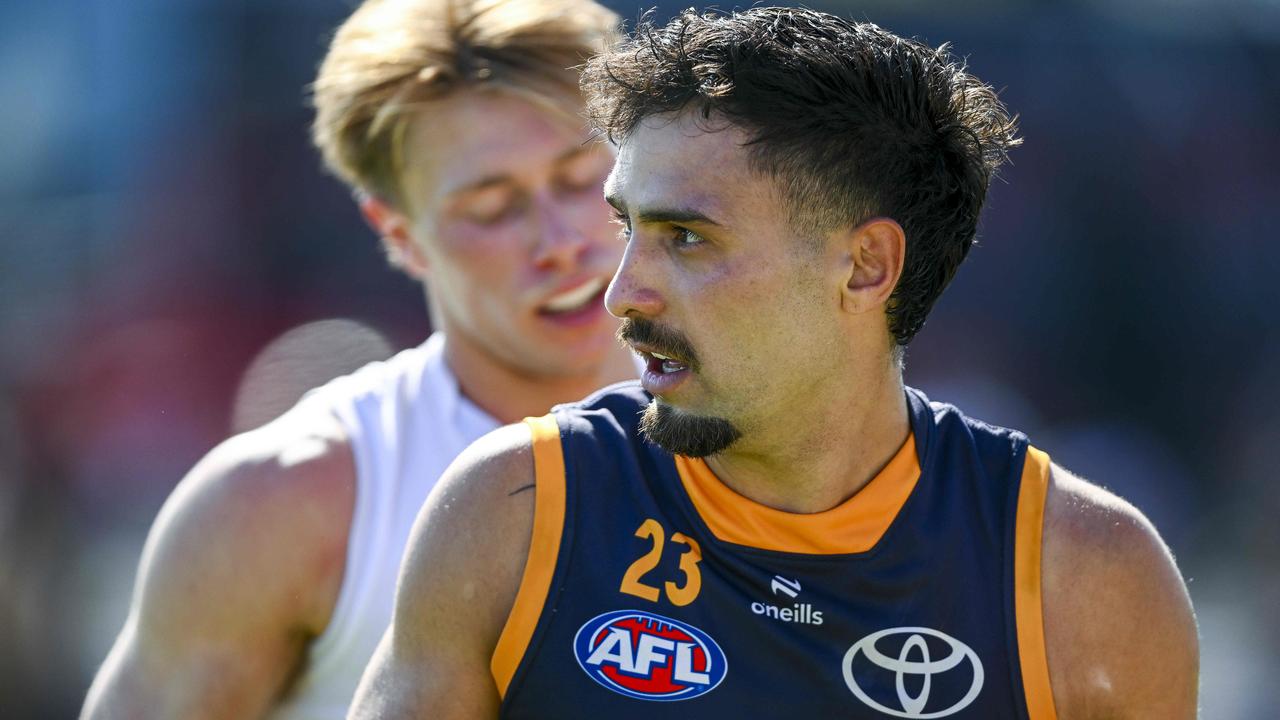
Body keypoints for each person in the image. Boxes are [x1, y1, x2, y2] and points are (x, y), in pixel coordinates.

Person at [349, 7, 1200, 719]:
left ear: (866, 266)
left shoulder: (1084, 578)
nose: (620, 295)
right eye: (627, 228)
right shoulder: (514, 510)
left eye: (686, 237)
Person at [81, 0, 633, 717]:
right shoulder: (289, 501)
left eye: (580, 176)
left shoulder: (789, 430)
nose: (559, 239)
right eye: (493, 207)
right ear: (397, 233)